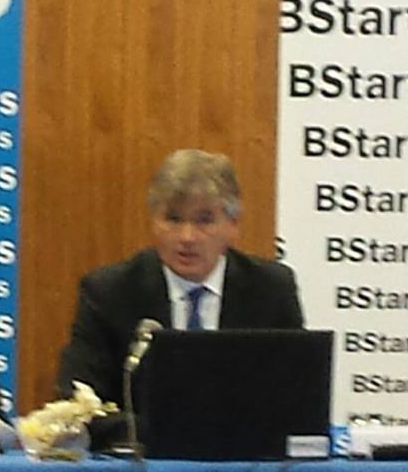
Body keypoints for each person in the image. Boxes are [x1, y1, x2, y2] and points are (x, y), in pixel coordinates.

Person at [56, 150, 304, 446]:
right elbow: (78, 402)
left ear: (233, 225)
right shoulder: (110, 292)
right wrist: (171, 433)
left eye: (204, 220)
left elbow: (297, 399)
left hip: (246, 460)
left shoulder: (271, 289)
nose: (187, 237)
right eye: (173, 219)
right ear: (153, 222)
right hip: (145, 460)